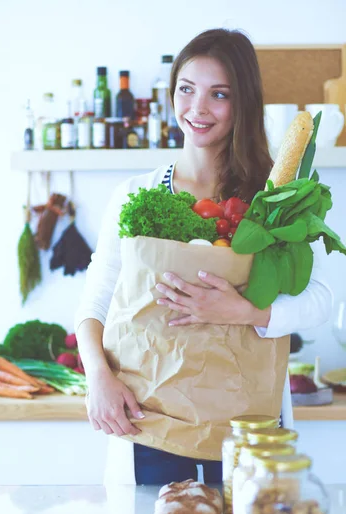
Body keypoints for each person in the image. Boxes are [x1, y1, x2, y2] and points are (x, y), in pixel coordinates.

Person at [75, 28, 332, 486]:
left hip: (247, 424)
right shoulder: (135, 194)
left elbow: (322, 299)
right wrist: (97, 377)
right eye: (186, 89)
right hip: (147, 417)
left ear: (243, 104)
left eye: (219, 94)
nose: (197, 108)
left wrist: (245, 311)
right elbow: (97, 300)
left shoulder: (275, 199)